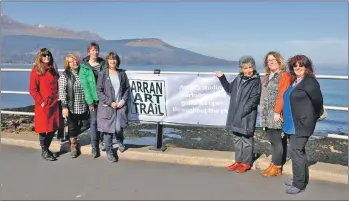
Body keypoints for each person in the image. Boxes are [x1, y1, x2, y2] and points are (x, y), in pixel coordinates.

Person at [282, 55, 323, 194]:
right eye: (295, 66)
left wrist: (311, 117)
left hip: (301, 124)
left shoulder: (310, 82)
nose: (298, 68)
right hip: (291, 122)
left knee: (296, 152)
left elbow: (318, 102)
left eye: (301, 65)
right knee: (298, 152)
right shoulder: (296, 81)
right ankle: (299, 178)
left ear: (307, 67)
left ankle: (299, 184)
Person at [215, 56, 261, 173]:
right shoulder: (238, 79)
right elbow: (229, 89)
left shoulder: (256, 81)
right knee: (236, 139)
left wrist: (243, 111)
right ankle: (238, 161)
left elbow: (254, 99)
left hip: (246, 116)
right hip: (235, 114)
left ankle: (246, 163)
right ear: (241, 69)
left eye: (250, 67)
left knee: (246, 140)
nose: (249, 70)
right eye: (245, 68)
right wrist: (222, 78)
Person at [260, 51, 291, 177]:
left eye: (273, 60)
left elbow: (283, 94)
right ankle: (275, 163)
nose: (271, 62)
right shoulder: (267, 76)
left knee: (277, 139)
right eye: (269, 60)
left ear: (279, 61)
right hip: (266, 112)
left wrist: (278, 111)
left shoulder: (284, 75)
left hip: (276, 112)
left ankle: (277, 167)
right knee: (272, 139)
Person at [96, 51, 130, 162]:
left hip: (120, 106)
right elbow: (99, 91)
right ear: (107, 61)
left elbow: (127, 89)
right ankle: (109, 151)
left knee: (118, 128)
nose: (112, 61)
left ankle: (120, 142)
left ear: (117, 61)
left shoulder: (122, 73)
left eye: (114, 59)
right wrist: (110, 102)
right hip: (107, 107)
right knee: (107, 131)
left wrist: (123, 100)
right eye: (110, 59)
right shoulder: (103, 74)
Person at [29, 48, 60, 161]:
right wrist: (41, 102)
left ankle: (45, 149)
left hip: (54, 104)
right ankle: (45, 151)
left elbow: (58, 85)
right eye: (44, 56)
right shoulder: (36, 70)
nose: (47, 57)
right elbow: (32, 89)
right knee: (43, 128)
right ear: (40, 57)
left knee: (53, 127)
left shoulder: (53, 70)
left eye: (48, 55)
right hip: (43, 104)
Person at [58, 53, 89, 158]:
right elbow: (62, 92)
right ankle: (74, 146)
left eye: (75, 60)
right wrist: (64, 106)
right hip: (71, 106)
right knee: (72, 127)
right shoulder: (65, 75)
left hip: (83, 105)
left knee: (87, 124)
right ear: (68, 64)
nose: (74, 62)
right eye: (71, 61)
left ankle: (71, 136)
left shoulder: (83, 73)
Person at [79, 42, 106, 158]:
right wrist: (89, 101)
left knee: (103, 121)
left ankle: (101, 141)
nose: (95, 52)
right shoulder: (84, 67)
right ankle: (94, 147)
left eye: (97, 50)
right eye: (93, 50)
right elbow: (85, 85)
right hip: (93, 99)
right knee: (94, 122)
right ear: (88, 52)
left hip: (104, 98)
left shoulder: (103, 64)